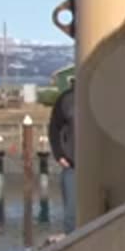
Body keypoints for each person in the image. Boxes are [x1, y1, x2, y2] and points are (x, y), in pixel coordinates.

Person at [47, 79, 76, 235]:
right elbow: (54, 128)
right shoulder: (66, 100)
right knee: (72, 215)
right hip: (72, 166)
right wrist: (59, 155)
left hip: (101, 166)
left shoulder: (106, 96)